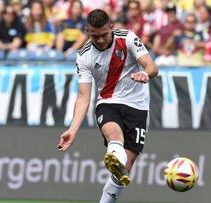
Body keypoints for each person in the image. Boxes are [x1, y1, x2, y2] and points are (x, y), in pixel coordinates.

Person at [57, 9, 158, 203]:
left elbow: (152, 66)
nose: (101, 40)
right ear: (87, 31)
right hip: (108, 103)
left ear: (111, 27)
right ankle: (114, 154)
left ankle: (114, 170)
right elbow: (84, 97)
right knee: (114, 135)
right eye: (95, 36)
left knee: (125, 168)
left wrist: (146, 74)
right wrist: (73, 129)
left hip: (137, 106)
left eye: (104, 35)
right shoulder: (84, 56)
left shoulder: (128, 38)